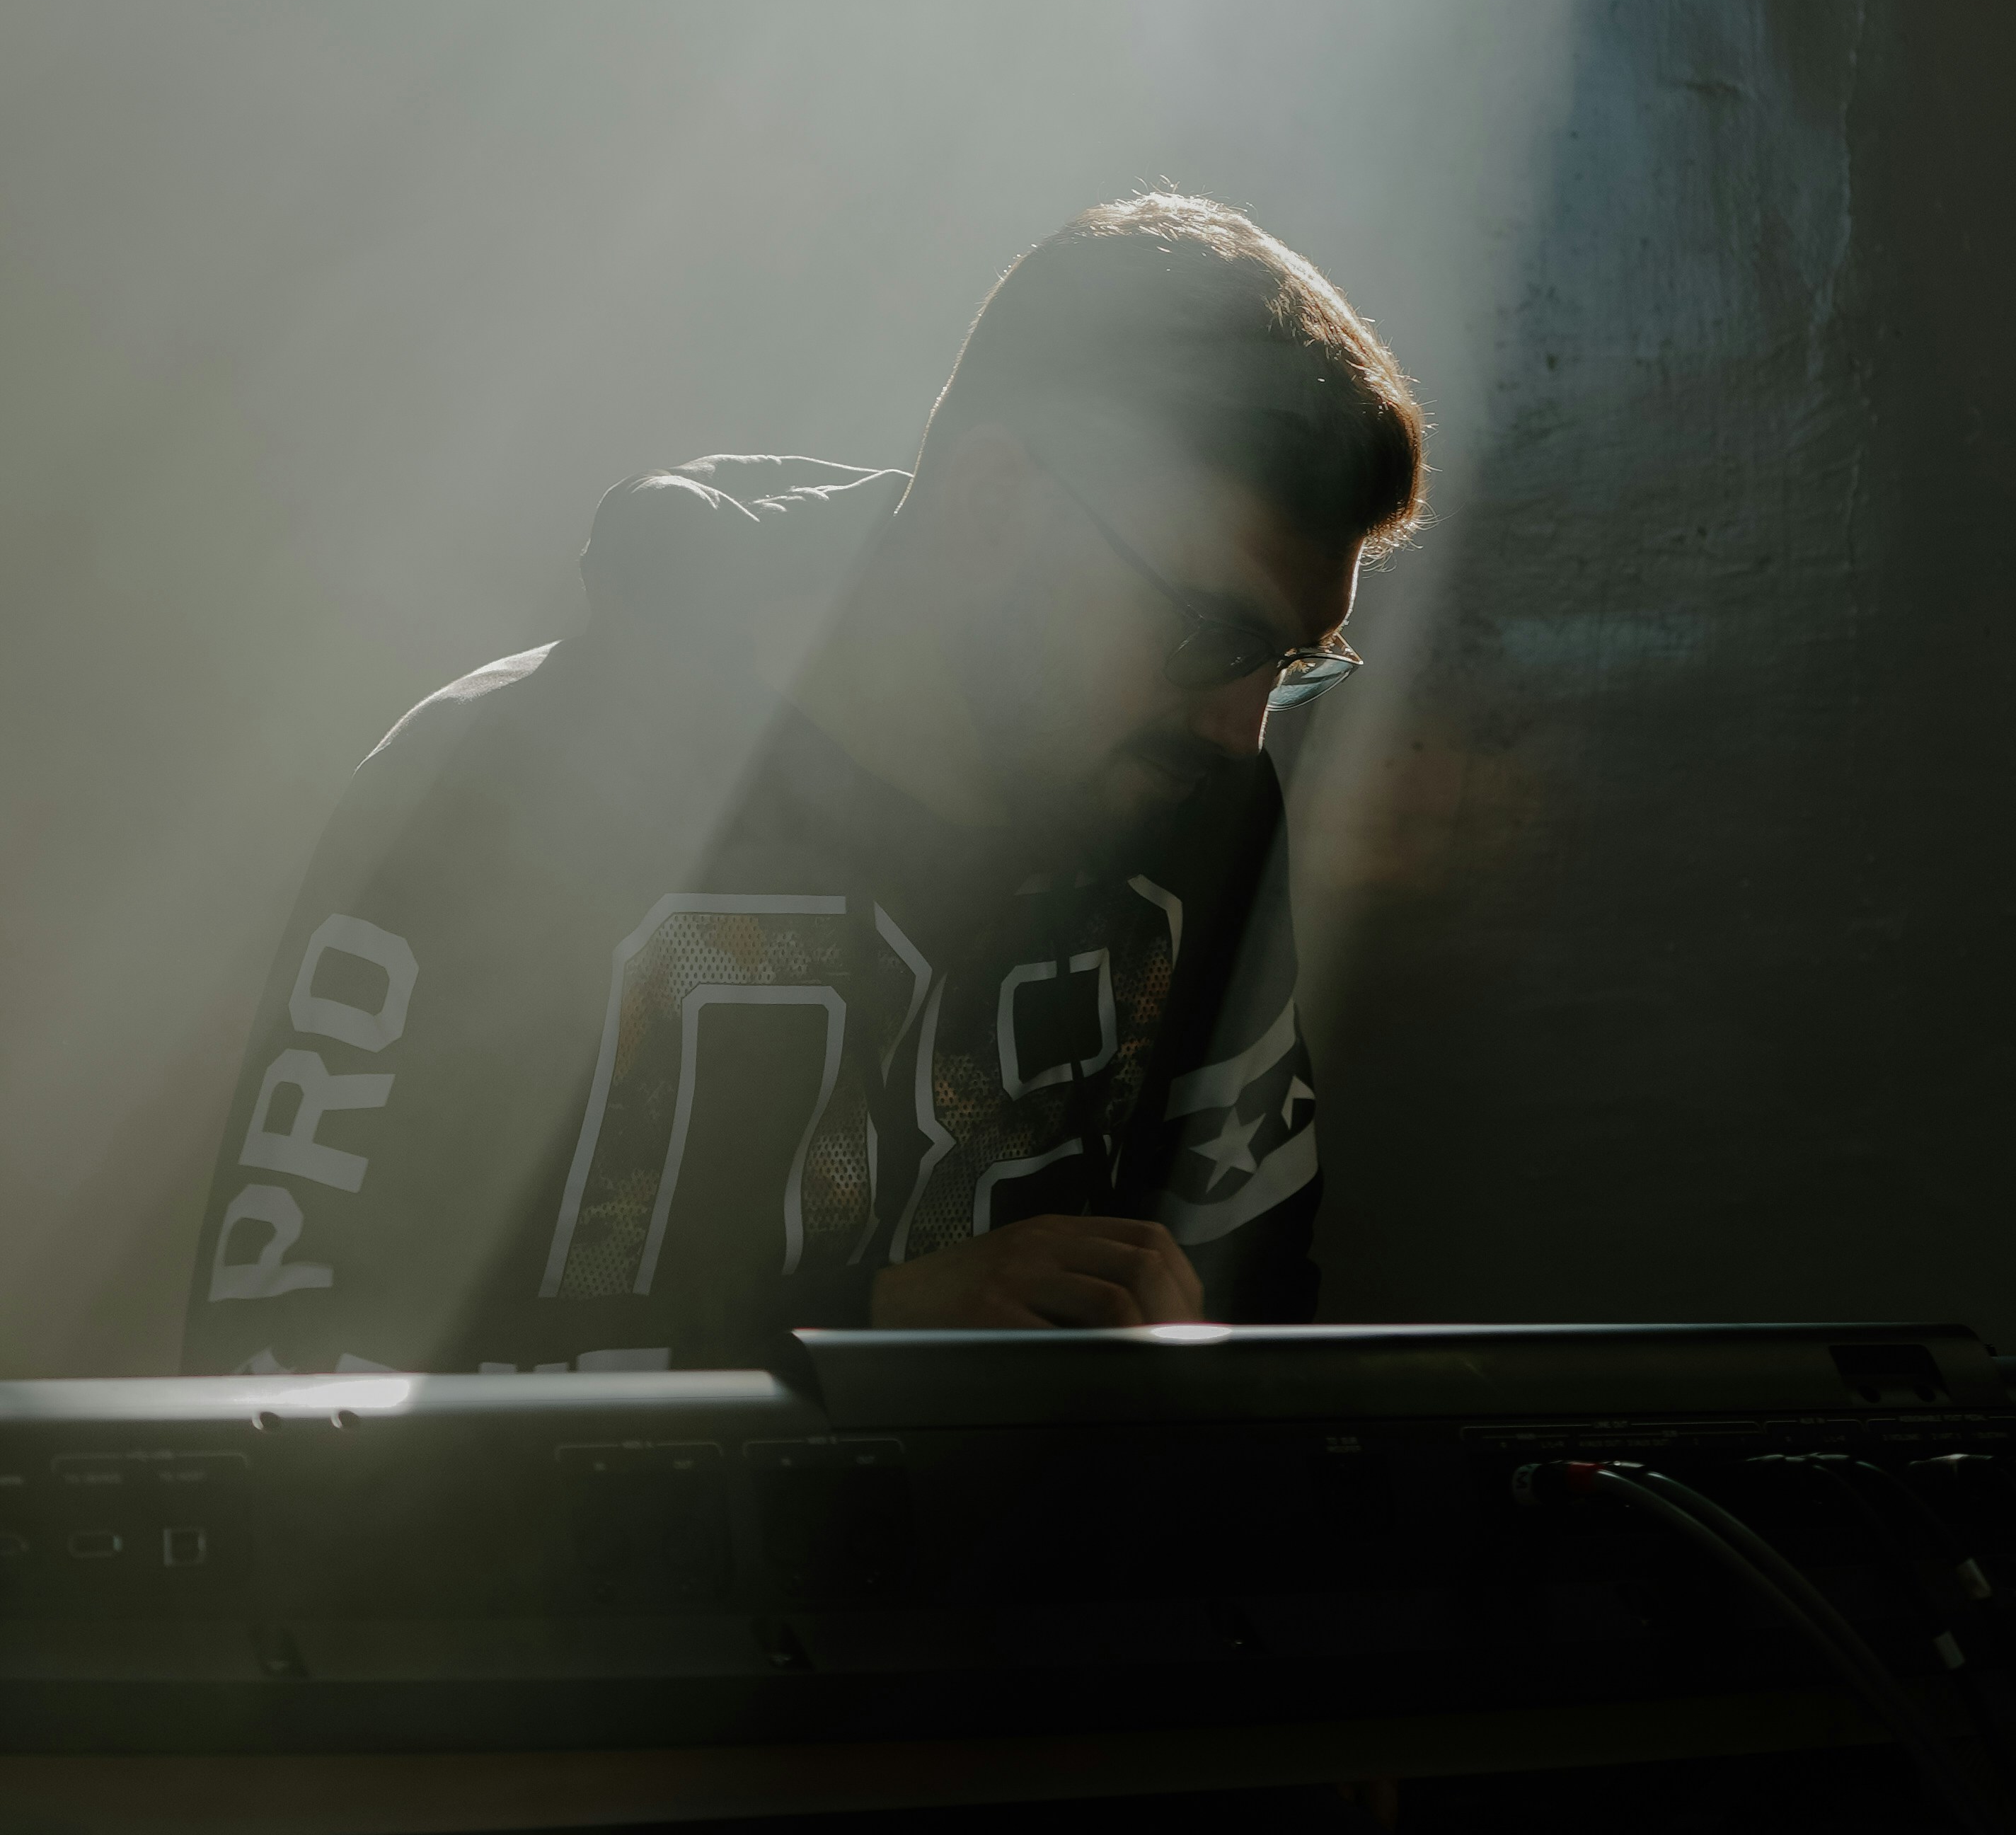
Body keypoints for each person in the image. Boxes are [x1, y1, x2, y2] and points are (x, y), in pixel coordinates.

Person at [181, 195, 1425, 1376]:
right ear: (991, 507)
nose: (1240, 727)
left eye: (1292, 664)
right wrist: (858, 1345)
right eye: (1210, 633)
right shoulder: (500, 795)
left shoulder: (1199, 813)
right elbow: (282, 1378)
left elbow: (1258, 1321)